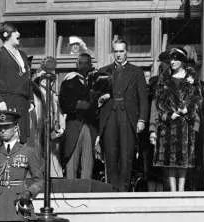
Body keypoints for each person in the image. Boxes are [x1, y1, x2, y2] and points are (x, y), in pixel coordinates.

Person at [95, 39, 149, 191]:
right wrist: (99, 100)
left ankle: (124, 190)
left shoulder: (136, 72)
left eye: (121, 51)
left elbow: (143, 99)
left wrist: (142, 120)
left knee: (126, 155)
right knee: (111, 155)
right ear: (113, 53)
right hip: (110, 116)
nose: (119, 55)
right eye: (116, 51)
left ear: (126, 52)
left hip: (128, 117)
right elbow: (95, 97)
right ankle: (112, 189)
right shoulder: (103, 71)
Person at [149, 47, 202, 192]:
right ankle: (173, 191)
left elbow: (197, 100)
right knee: (169, 159)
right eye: (171, 59)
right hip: (168, 125)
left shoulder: (192, 79)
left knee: (184, 160)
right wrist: (168, 114)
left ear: (182, 61)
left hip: (185, 125)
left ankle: (181, 189)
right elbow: (158, 102)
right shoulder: (164, 79)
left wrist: (188, 109)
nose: (172, 62)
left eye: (175, 59)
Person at [0, 22, 34, 140]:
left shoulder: (23, 55)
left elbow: (28, 79)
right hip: (8, 101)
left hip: (23, 102)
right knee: (10, 135)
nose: (19, 34)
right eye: (15, 32)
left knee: (23, 136)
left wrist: (31, 99)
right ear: (6, 34)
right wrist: (0, 100)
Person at [58, 52, 98, 180]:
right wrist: (81, 105)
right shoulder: (70, 80)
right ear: (76, 64)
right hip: (74, 123)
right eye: (81, 63)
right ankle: (71, 190)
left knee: (88, 161)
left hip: (90, 125)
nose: (84, 66)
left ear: (91, 64)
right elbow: (64, 104)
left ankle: (86, 194)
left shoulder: (95, 81)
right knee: (72, 159)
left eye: (86, 63)